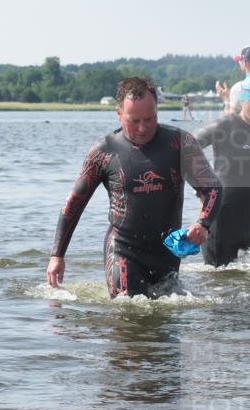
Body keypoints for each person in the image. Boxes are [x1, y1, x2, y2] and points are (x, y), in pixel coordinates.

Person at [46, 77, 222, 298]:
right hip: (123, 249)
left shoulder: (179, 143)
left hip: (166, 251)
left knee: (164, 325)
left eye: (149, 119)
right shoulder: (103, 152)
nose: (142, 128)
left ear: (157, 109)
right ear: (119, 114)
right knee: (127, 314)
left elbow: (213, 187)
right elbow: (74, 203)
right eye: (133, 120)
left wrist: (203, 223)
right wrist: (57, 256)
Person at [195, 81, 250, 266]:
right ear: (244, 99)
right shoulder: (223, 126)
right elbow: (186, 149)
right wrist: (201, 188)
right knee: (218, 277)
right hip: (222, 218)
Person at [216, 46, 250, 115]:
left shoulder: (239, 88)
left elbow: (230, 119)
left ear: (245, 63)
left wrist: (226, 99)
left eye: (240, 62)